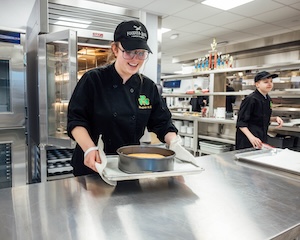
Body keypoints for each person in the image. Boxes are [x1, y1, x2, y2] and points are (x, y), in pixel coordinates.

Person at [67, 20, 196, 176]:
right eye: (129, 51)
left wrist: (174, 142)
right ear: (115, 49)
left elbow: (162, 122)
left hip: (129, 166)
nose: (135, 59)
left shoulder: (148, 87)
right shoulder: (93, 80)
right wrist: (89, 148)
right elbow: (76, 120)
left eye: (141, 53)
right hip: (93, 164)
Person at [235, 71, 283, 150]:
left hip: (261, 138)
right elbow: (241, 123)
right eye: (265, 82)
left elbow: (260, 117)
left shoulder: (267, 99)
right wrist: (252, 138)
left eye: (271, 81)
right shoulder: (250, 99)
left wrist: (274, 119)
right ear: (257, 84)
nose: (269, 84)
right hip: (248, 140)